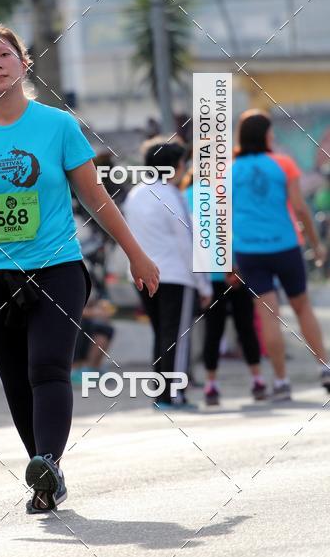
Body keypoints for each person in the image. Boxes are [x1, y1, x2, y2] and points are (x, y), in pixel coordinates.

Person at [0, 24, 159, 514]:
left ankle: (48, 461)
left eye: (5, 54)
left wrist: (136, 253)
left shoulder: (58, 126)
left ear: (23, 63)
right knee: (15, 379)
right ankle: (44, 475)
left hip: (56, 266)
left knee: (47, 367)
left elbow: (94, 197)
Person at [232, 110, 330, 400]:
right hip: (285, 245)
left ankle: (281, 381)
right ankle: (325, 368)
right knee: (302, 308)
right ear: (265, 135)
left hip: (249, 249)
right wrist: (316, 245)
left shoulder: (230, 169)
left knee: (268, 314)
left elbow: (221, 216)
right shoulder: (284, 163)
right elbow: (300, 208)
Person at [122, 138, 213, 410]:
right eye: (183, 164)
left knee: (161, 333)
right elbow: (187, 243)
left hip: (142, 276)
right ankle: (174, 394)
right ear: (174, 166)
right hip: (175, 275)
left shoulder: (135, 195)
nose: (185, 169)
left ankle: (161, 394)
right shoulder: (172, 195)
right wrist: (204, 284)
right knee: (176, 336)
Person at [184, 176, 266, 405]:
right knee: (245, 326)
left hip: (210, 274)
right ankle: (257, 380)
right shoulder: (229, 189)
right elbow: (236, 228)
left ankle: (212, 385)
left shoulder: (187, 194)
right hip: (234, 270)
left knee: (215, 329)